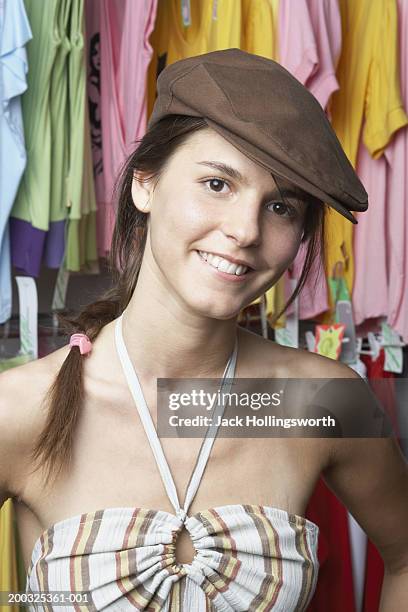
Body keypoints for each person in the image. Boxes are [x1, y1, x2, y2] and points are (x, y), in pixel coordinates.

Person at [1, 48, 407, 611]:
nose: (244, 230)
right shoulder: (21, 409)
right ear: (146, 184)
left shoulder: (321, 400)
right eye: (218, 184)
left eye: (282, 207)